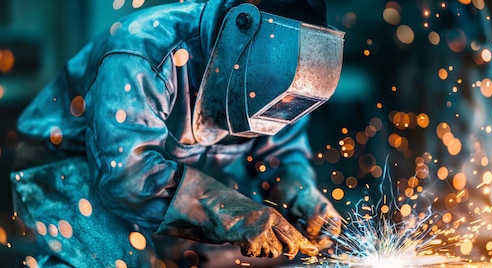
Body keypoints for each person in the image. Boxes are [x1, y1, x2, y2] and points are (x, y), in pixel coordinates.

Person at [10, 0, 344, 266]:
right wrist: (233, 213)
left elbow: (279, 156)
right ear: (242, 26)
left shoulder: (290, 78)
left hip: (184, 184)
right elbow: (124, 177)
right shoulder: (141, 50)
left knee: (240, 256)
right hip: (67, 171)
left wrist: (300, 194)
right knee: (125, 261)